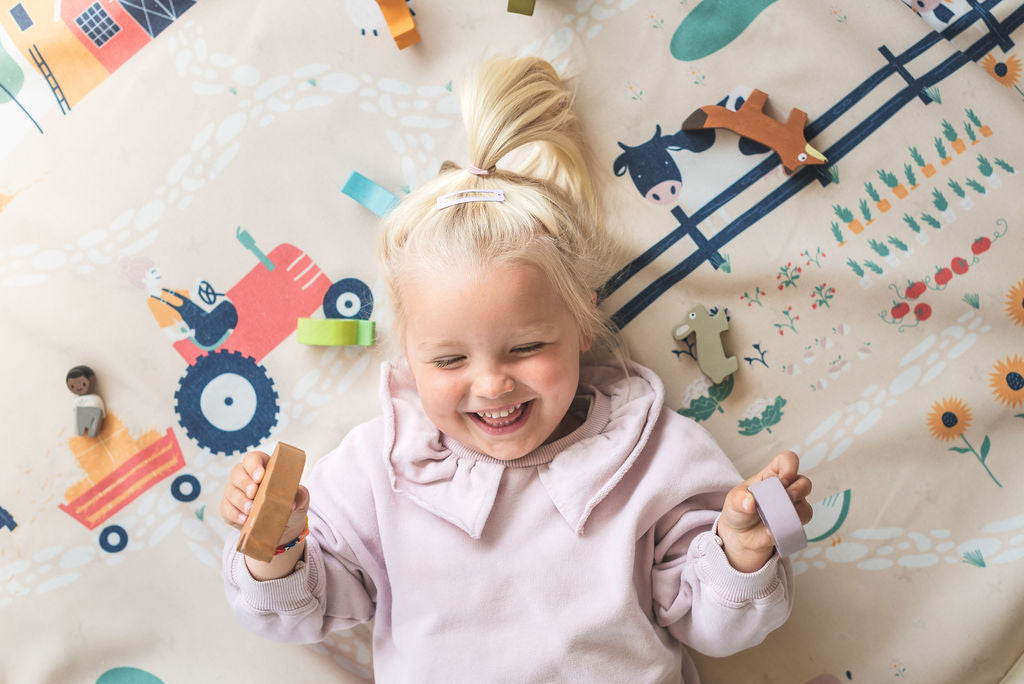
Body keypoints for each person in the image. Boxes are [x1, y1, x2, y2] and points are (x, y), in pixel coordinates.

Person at [220, 56, 812, 681]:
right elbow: (294, 613)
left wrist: (742, 552)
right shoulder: (378, 470)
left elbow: (715, 627)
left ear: (582, 324)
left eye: (526, 348)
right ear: (408, 355)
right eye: (449, 359)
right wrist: (274, 540)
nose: (492, 385)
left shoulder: (653, 456)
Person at [66, 365, 105, 437]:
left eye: (84, 384)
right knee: (80, 429)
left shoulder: (95, 398)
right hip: (81, 415)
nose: (78, 387)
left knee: (93, 431)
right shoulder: (78, 400)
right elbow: (75, 410)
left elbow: (100, 410)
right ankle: (82, 432)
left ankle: (90, 432)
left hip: (94, 412)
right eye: (73, 386)